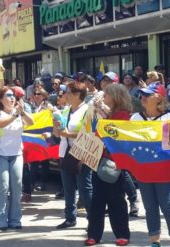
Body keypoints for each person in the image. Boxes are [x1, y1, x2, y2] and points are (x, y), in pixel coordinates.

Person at [130, 82, 170, 247]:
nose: (143, 97)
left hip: (164, 170)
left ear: (159, 98)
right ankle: (155, 242)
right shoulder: (135, 118)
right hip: (144, 170)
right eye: (142, 94)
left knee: (167, 205)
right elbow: (129, 143)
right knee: (150, 207)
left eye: (147, 95)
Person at [85, 84, 131, 246]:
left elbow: (115, 138)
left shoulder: (123, 115)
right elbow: (98, 134)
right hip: (101, 160)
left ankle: (122, 234)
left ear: (115, 96)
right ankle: (94, 235)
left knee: (116, 200)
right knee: (97, 200)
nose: (104, 98)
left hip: (115, 162)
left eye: (107, 95)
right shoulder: (109, 114)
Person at [0, 87, 34, 230]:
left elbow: (31, 122)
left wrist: (22, 112)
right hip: (0, 154)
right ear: (0, 99)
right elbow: (0, 123)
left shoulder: (18, 113)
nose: (12, 98)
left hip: (17, 154)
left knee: (17, 188)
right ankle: (1, 221)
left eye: (13, 96)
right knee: (3, 187)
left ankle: (14, 220)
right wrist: (15, 114)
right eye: (8, 95)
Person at [53, 82, 92, 229]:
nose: (65, 95)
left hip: (82, 153)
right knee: (68, 188)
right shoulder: (65, 111)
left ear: (77, 94)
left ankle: (92, 218)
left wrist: (69, 134)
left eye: (68, 92)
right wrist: (55, 127)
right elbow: (57, 133)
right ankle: (70, 218)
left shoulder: (88, 110)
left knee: (85, 188)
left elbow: (90, 133)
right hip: (65, 152)